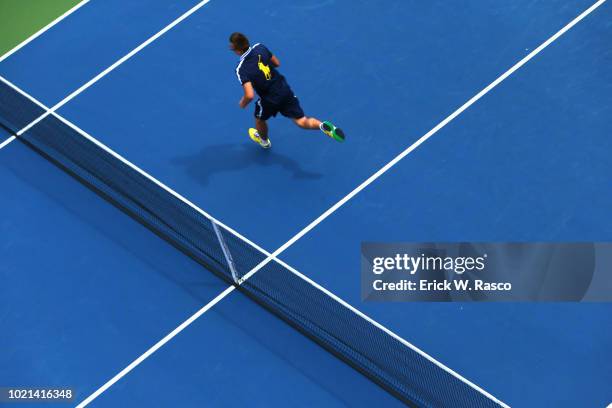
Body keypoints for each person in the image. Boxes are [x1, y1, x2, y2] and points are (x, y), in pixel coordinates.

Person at [229, 32, 344, 148]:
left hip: (269, 99)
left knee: (259, 120)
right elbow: (277, 63)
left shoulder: (241, 69)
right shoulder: (260, 47)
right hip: (284, 90)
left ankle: (264, 141)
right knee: (302, 121)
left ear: (237, 50)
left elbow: (249, 95)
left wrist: (242, 103)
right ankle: (322, 126)